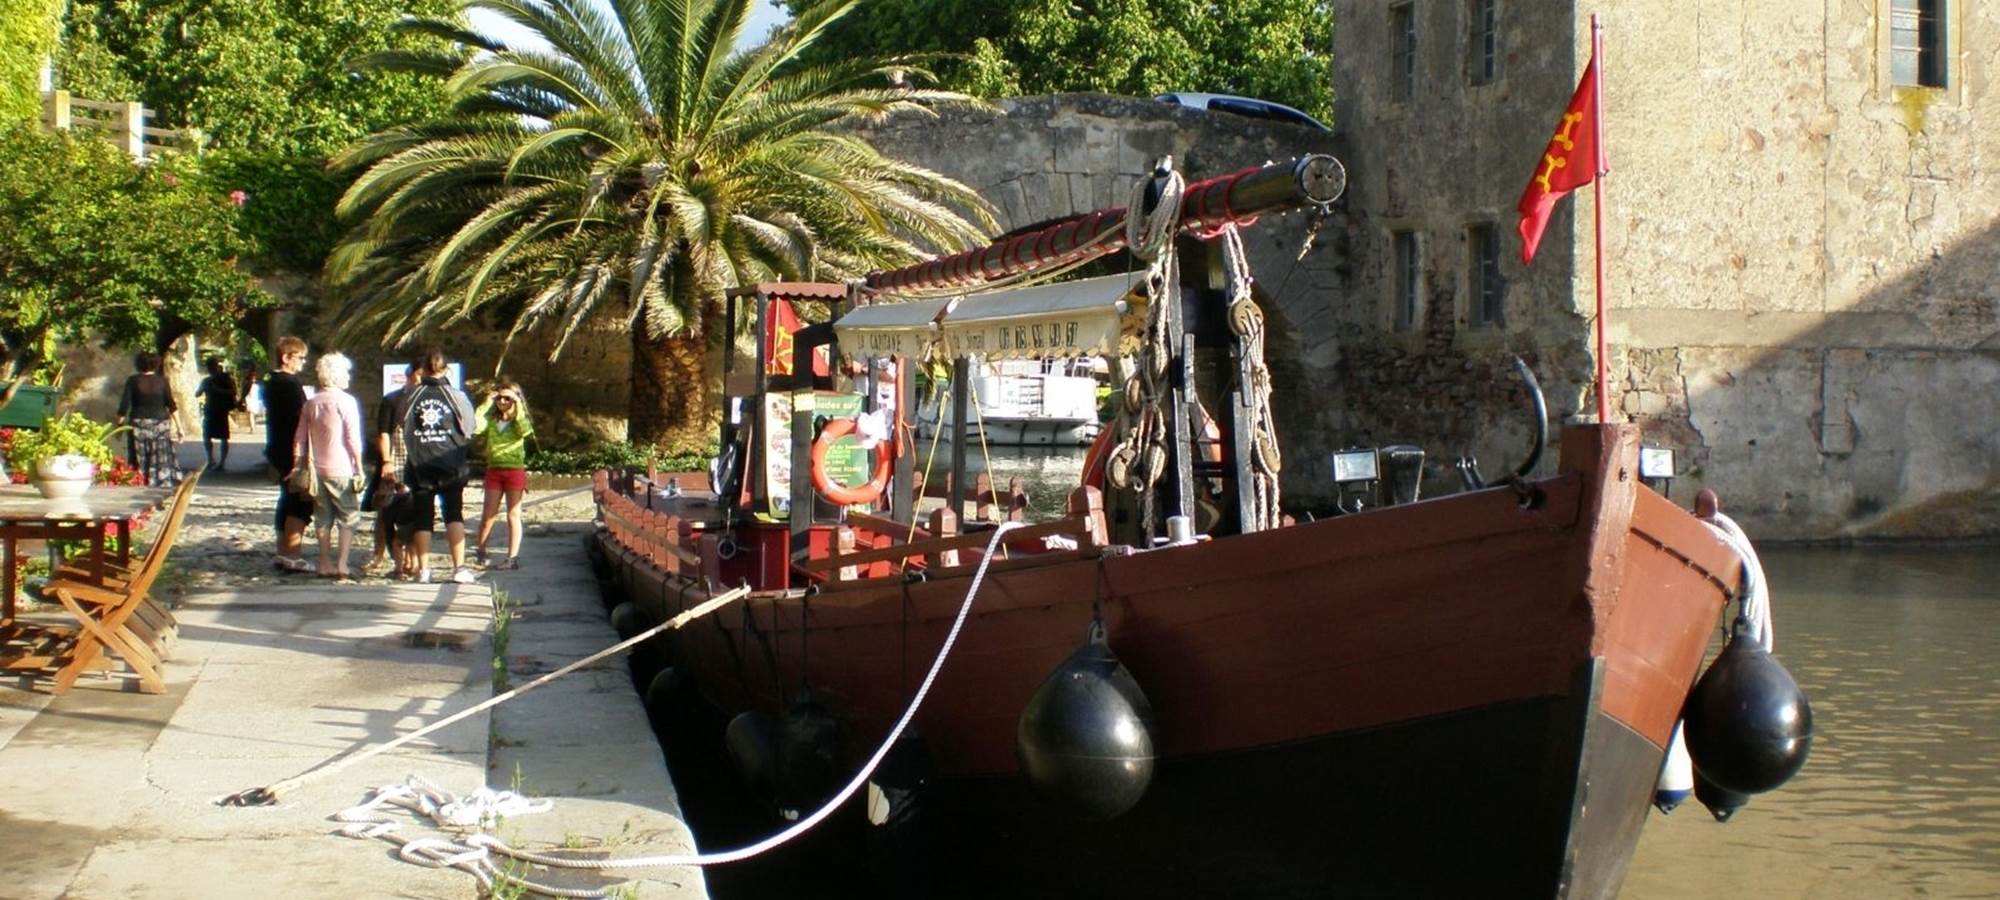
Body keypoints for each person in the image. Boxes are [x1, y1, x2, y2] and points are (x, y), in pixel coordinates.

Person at [397, 348, 477, 584]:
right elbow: (470, 427)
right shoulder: (456, 395)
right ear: (446, 369)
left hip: (420, 464)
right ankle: (459, 568)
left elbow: (402, 425)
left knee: (423, 517)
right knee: (454, 514)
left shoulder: (410, 396)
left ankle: (424, 571)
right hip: (451, 465)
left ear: (423, 370)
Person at [291, 353, 366, 579]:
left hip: (316, 471)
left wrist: (297, 466)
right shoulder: (346, 402)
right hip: (342, 468)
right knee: (348, 516)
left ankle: (324, 561)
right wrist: (359, 466)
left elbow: (299, 439)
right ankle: (342, 563)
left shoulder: (311, 403)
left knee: (323, 517)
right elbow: (353, 439)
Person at [262, 336, 313, 572]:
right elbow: (299, 418)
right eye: (300, 358)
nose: (303, 363)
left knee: (286, 499)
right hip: (291, 450)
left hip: (278, 447)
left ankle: (282, 550)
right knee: (298, 500)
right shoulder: (288, 384)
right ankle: (292, 553)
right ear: (286, 357)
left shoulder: (271, 382)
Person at [473, 381, 535, 570]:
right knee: (488, 515)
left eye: (508, 398)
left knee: (513, 515)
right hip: (494, 470)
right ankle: (481, 553)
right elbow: (476, 427)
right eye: (499, 397)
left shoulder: (518, 421)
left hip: (514, 471)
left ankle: (511, 558)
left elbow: (526, 431)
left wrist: (519, 408)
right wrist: (486, 403)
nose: (503, 401)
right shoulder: (492, 419)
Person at [365, 363, 420, 577]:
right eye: (419, 373)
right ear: (410, 374)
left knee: (413, 513)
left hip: (417, 466)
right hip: (394, 463)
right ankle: (378, 554)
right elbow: (384, 433)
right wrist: (387, 461)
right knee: (385, 512)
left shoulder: (427, 400)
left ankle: (410, 560)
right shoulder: (392, 400)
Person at [115, 351, 180, 487]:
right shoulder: (162, 381)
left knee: (139, 456)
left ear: (138, 364)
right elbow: (171, 405)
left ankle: (140, 482)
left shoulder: (133, 381)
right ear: (156, 364)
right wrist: (180, 427)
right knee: (160, 456)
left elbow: (124, 405)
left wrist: (119, 426)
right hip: (160, 424)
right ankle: (161, 484)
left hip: (139, 423)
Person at [196, 357, 239, 472]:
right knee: (207, 436)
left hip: (220, 410)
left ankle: (221, 462)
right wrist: (203, 388)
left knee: (223, 437)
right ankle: (211, 459)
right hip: (210, 410)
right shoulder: (206, 380)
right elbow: (197, 393)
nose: (211, 369)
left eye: (212, 366)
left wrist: (217, 390)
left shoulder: (225, 378)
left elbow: (233, 392)